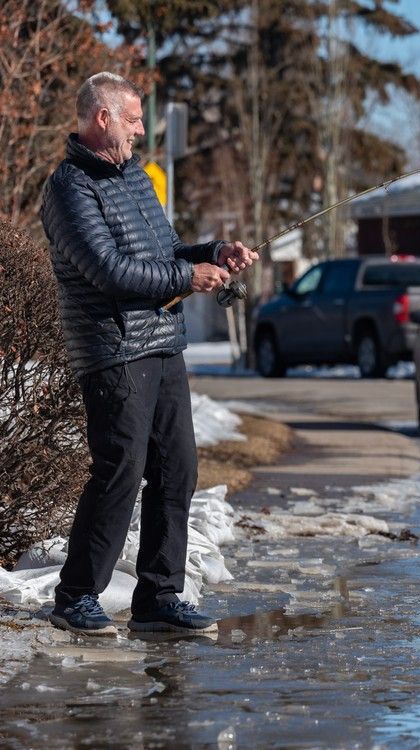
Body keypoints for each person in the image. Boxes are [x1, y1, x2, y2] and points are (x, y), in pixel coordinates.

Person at [40, 72, 258, 636]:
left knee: (176, 469)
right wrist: (189, 274)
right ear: (103, 118)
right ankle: (76, 594)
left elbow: (163, 252)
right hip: (113, 349)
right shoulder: (69, 188)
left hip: (162, 343)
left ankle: (159, 596)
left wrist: (213, 252)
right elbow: (108, 271)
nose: (142, 130)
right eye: (134, 119)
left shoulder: (136, 178)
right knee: (120, 470)